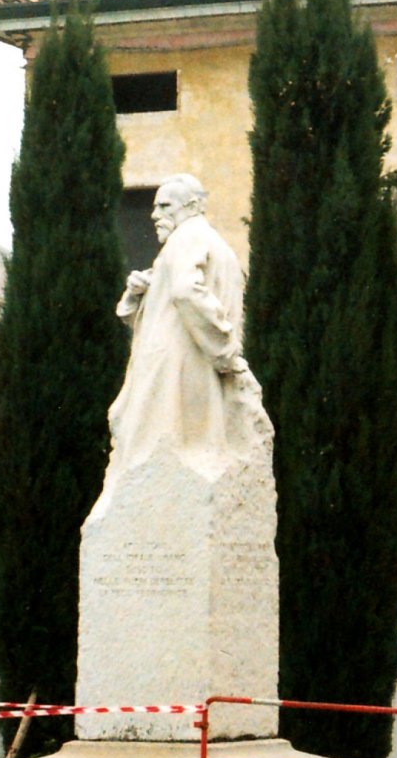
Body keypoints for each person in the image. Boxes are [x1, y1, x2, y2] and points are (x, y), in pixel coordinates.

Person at [96, 174, 269, 508]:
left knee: (157, 450)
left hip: (179, 364)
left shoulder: (187, 237)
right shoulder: (209, 245)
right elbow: (173, 307)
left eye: (165, 205)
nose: (154, 214)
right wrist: (140, 295)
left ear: (191, 207)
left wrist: (224, 350)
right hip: (194, 361)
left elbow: (187, 292)